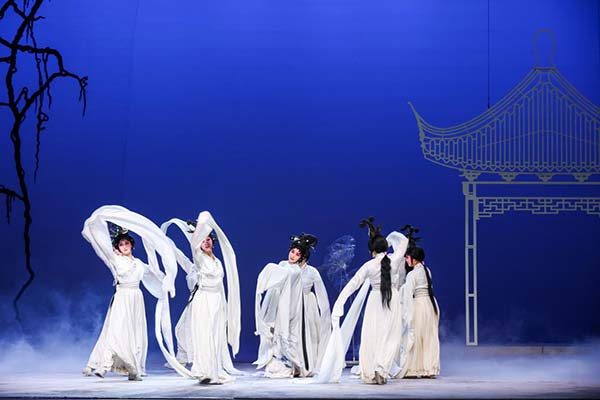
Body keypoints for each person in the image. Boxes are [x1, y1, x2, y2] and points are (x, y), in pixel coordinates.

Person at [81, 206, 177, 381]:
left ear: (132, 245)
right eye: (121, 244)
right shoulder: (115, 260)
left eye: (126, 243)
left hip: (136, 299)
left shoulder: (139, 264)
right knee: (116, 330)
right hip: (122, 297)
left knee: (135, 333)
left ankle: (135, 368)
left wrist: (167, 282)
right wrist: (97, 221)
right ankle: (104, 365)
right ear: (116, 247)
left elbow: (154, 276)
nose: (124, 246)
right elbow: (100, 244)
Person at [318, 217, 408, 384]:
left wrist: (340, 302)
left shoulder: (369, 265)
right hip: (392, 299)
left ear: (372, 251)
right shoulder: (395, 260)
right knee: (391, 336)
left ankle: (372, 369)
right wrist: (389, 239)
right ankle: (382, 368)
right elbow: (403, 241)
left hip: (375, 300)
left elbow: (353, 284)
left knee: (372, 336)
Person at [162, 211, 241, 384]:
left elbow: (220, 285)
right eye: (202, 239)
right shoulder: (198, 259)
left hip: (216, 301)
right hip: (203, 299)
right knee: (202, 334)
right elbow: (188, 250)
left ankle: (214, 369)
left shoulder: (217, 262)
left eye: (208, 239)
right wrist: (202, 223)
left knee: (215, 336)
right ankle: (204, 370)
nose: (206, 242)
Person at [254, 233, 320, 378]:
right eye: (292, 251)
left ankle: (295, 366)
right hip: (278, 307)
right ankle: (280, 364)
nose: (293, 255)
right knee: (274, 337)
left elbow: (282, 276)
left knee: (289, 338)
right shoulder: (283, 264)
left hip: (289, 309)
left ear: (302, 258)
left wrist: (269, 270)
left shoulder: (295, 271)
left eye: (297, 254)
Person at [398, 246, 440, 378]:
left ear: (414, 259)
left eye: (407, 257)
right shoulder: (427, 270)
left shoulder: (412, 274)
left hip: (419, 305)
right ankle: (429, 369)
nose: (406, 260)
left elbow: (407, 295)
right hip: (430, 305)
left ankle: (412, 369)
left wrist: (405, 313)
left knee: (415, 336)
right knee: (428, 337)